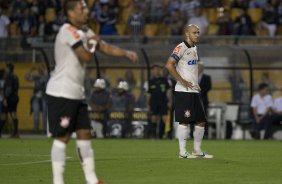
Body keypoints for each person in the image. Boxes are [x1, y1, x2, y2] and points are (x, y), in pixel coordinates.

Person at [45, 1, 137, 184]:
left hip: (76, 93)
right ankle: (58, 181)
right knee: (62, 137)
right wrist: (93, 44)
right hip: (61, 92)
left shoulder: (85, 31)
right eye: (82, 8)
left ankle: (92, 180)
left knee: (85, 133)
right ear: (71, 13)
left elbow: (105, 47)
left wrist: (125, 53)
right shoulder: (67, 31)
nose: (86, 11)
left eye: (86, 8)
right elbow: (86, 55)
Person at [165, 24, 213, 159]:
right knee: (184, 121)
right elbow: (169, 64)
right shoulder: (181, 47)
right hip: (184, 91)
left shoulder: (194, 48)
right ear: (187, 34)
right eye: (194, 32)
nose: (197, 35)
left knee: (201, 121)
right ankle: (182, 152)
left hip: (194, 91)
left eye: (198, 32)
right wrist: (181, 80)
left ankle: (197, 151)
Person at [146, 64, 172, 139]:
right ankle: (154, 134)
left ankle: (168, 134)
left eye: (157, 69)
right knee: (154, 118)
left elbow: (169, 91)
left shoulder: (164, 80)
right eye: (154, 69)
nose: (156, 71)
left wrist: (170, 101)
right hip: (154, 102)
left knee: (165, 118)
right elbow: (148, 94)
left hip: (163, 101)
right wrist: (148, 104)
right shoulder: (150, 81)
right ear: (152, 71)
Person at [190, 61, 212, 139]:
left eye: (200, 67)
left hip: (203, 100)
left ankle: (204, 133)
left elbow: (208, 87)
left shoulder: (207, 77)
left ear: (203, 68)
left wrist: (199, 91)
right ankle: (192, 133)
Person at [25, 65, 48, 132]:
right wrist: (30, 70)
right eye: (39, 69)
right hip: (36, 97)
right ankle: (36, 129)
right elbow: (26, 78)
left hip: (44, 97)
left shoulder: (47, 77)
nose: (39, 70)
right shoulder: (36, 77)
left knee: (44, 114)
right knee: (36, 113)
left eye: (41, 69)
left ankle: (45, 129)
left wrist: (44, 72)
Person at [3, 63, 20, 138]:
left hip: (11, 98)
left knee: (6, 114)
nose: (5, 69)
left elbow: (9, 89)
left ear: (9, 68)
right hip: (15, 97)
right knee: (13, 113)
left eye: (6, 68)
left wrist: (5, 98)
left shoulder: (9, 77)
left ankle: (15, 132)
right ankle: (15, 132)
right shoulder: (15, 76)